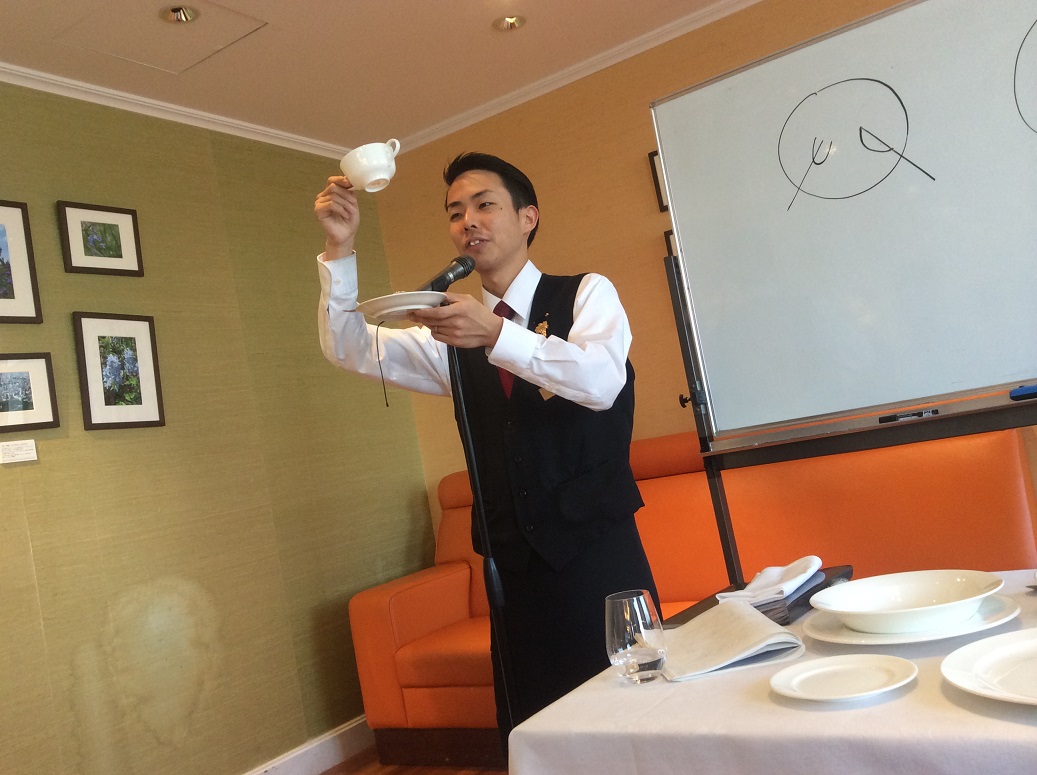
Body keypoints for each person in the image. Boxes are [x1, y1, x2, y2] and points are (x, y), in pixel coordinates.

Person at [313, 152, 659, 740]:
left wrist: (497, 333)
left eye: (484, 205)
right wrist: (340, 249)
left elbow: (601, 382)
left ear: (527, 217)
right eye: (455, 212)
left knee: (636, 719)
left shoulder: (585, 293)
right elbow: (350, 347)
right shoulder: (451, 337)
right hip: (510, 569)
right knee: (536, 731)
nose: (468, 220)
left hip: (598, 557)